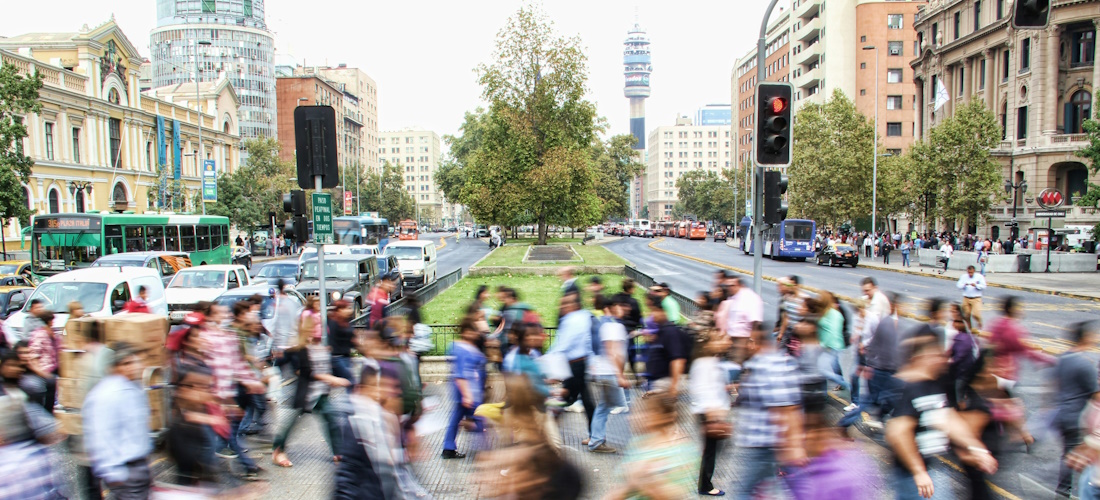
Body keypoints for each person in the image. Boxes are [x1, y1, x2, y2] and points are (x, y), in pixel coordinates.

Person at [886, 336, 997, 500]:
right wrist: (918, 471)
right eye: (935, 355)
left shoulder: (934, 385)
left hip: (929, 469)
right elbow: (898, 432)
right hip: (910, 474)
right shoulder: (910, 387)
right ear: (921, 358)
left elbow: (949, 420)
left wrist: (977, 448)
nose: (942, 360)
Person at [272, 302, 350, 468]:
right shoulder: (301, 348)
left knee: (331, 419)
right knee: (293, 423)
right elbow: (306, 371)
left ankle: (338, 452)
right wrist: (331, 379)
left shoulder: (322, 347)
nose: (320, 327)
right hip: (306, 393)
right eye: (316, 324)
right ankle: (278, 450)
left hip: (320, 393)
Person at [734, 321, 804, 499]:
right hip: (762, 445)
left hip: (766, 445)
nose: (746, 345)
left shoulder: (769, 365)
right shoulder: (768, 362)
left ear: (756, 341)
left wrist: (793, 446)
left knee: (745, 493)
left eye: (749, 340)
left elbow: (786, 408)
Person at [84, 342, 155, 499]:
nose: (133, 367)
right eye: (126, 364)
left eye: (134, 362)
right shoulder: (106, 394)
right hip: (125, 471)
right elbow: (101, 435)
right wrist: (113, 473)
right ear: (113, 367)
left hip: (139, 466)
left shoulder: (135, 388)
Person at [988, 296, 1055, 449]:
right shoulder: (1013, 328)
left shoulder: (997, 324)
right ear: (1012, 309)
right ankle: (1023, 435)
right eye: (1019, 307)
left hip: (994, 372)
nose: (1021, 310)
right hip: (1006, 374)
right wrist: (1050, 360)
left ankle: (1017, 435)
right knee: (1008, 406)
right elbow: (1027, 351)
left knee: (1005, 404)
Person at [0, 348, 68, 499]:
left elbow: (55, 428)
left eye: (18, 365)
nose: (15, 369)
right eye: (11, 365)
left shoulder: (25, 389)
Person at [608, 393, 697, 500]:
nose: (632, 417)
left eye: (643, 412)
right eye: (635, 412)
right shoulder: (639, 441)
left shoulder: (681, 451)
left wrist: (643, 480)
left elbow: (677, 494)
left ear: (663, 417)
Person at [1053, 322, 1098, 498]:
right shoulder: (1085, 364)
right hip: (1076, 417)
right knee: (1080, 456)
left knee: (1069, 453)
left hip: (1062, 413)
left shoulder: (1063, 358)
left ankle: (1063, 490)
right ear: (1085, 338)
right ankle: (1067, 491)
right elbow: (1096, 395)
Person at [690, 330, 733, 496]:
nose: (722, 342)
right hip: (709, 414)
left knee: (712, 450)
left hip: (713, 413)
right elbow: (702, 390)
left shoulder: (710, 361)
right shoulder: (704, 363)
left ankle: (705, 482)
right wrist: (712, 416)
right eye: (717, 339)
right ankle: (705, 485)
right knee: (710, 451)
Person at [546, 292, 596, 430]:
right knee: (583, 400)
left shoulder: (573, 320)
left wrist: (547, 361)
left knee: (569, 397)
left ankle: (547, 423)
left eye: (566, 303)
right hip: (577, 364)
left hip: (574, 365)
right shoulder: (584, 316)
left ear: (575, 304)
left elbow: (563, 344)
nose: (563, 306)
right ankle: (595, 435)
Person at [586, 296, 629, 454]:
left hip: (602, 371)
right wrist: (620, 376)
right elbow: (613, 352)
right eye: (620, 306)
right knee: (623, 406)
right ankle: (596, 440)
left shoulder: (604, 324)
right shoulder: (613, 326)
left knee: (604, 406)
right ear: (611, 307)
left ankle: (595, 439)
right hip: (610, 373)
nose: (624, 309)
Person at [442, 316, 487, 459]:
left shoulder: (460, 347)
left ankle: (448, 447)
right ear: (466, 331)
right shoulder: (463, 349)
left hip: (466, 391)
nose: (476, 334)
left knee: (456, 419)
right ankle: (483, 450)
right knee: (478, 418)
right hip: (468, 392)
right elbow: (461, 373)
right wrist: (467, 395)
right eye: (474, 331)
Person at [642, 292, 688, 397]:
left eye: (655, 311)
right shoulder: (662, 331)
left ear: (663, 311)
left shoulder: (670, 332)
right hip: (661, 384)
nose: (652, 315)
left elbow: (678, 359)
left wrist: (674, 386)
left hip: (667, 383)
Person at [327, 299, 356, 383]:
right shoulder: (333, 322)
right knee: (351, 381)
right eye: (346, 308)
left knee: (348, 381)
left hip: (346, 356)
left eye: (349, 308)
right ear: (339, 310)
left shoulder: (346, 321)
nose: (349, 310)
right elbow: (331, 339)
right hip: (337, 357)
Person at [957, 266, 986, 334]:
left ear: (974, 271)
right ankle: (970, 329)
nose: (970, 274)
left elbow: (984, 286)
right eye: (969, 272)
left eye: (971, 273)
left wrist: (976, 285)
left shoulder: (979, 277)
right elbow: (958, 285)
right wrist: (964, 284)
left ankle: (979, 323)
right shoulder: (964, 277)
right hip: (966, 298)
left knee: (976, 314)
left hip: (976, 298)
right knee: (966, 315)